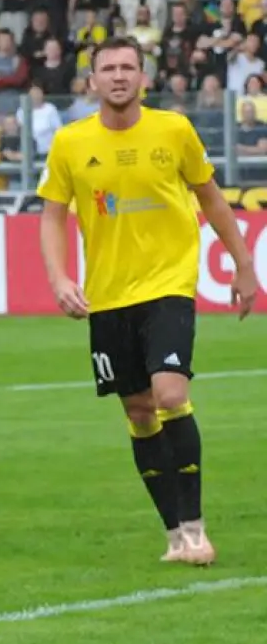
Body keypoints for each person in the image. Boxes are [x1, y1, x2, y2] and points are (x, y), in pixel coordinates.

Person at [39, 37, 258, 566]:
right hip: (109, 295)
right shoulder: (70, 143)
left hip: (168, 285)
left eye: (128, 68)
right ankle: (174, 535)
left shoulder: (174, 130)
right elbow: (52, 215)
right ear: (91, 81)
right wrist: (59, 277)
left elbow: (210, 196)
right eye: (108, 68)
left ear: (143, 78)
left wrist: (244, 263)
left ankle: (197, 528)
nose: (118, 76)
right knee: (139, 411)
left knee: (167, 393)